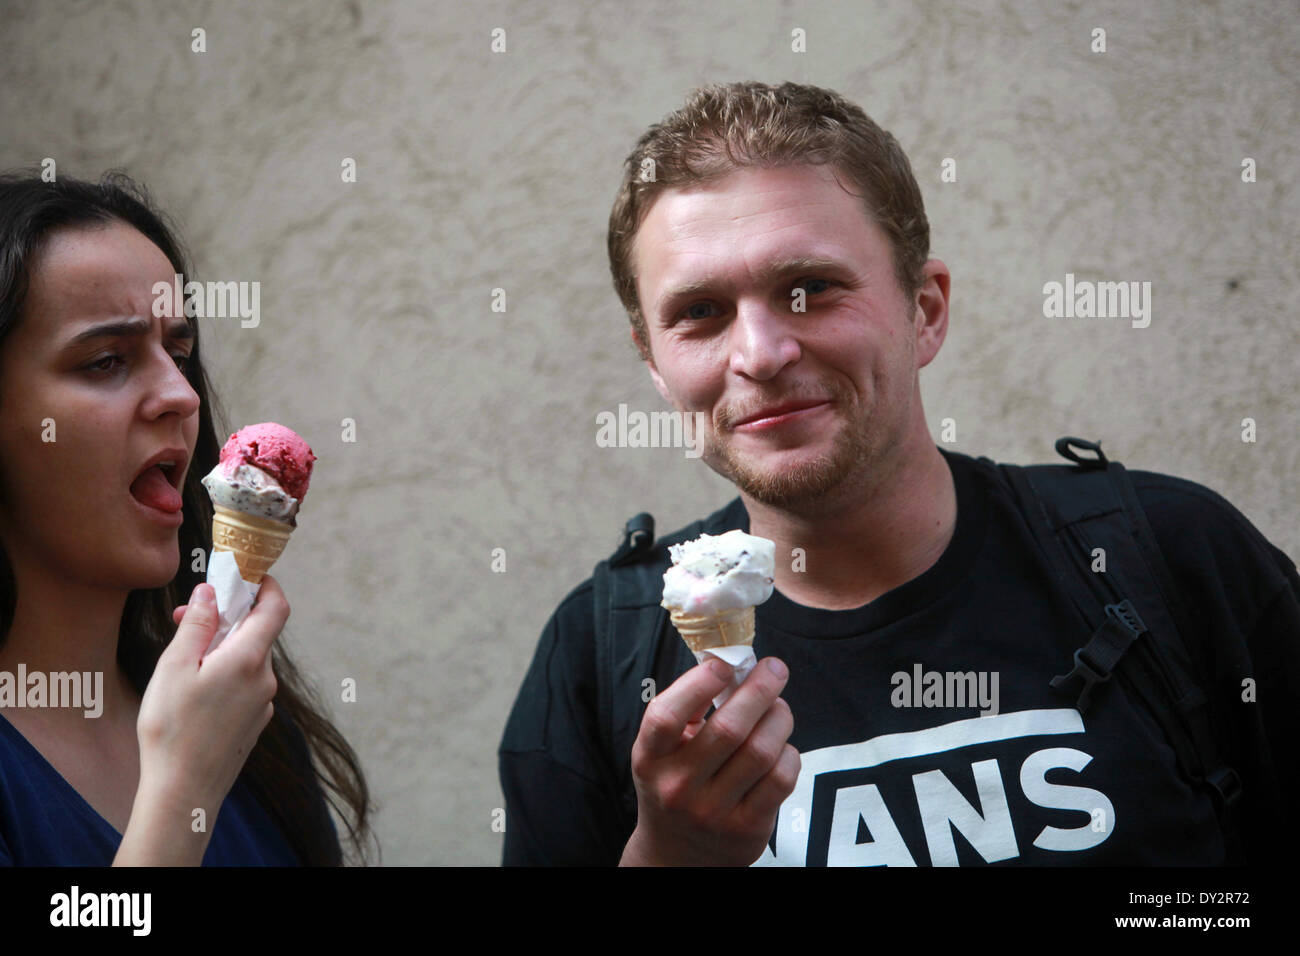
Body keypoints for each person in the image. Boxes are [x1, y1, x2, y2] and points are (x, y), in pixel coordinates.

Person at [499, 81, 1299, 866]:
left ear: (926, 310)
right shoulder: (601, 652)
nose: (760, 354)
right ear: (655, 364)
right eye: (700, 312)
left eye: (809, 289)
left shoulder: (1171, 554)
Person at [0, 171, 372, 865]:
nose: (180, 395)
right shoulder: (209, 737)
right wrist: (181, 792)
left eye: (179, 353)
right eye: (107, 360)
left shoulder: (248, 725)